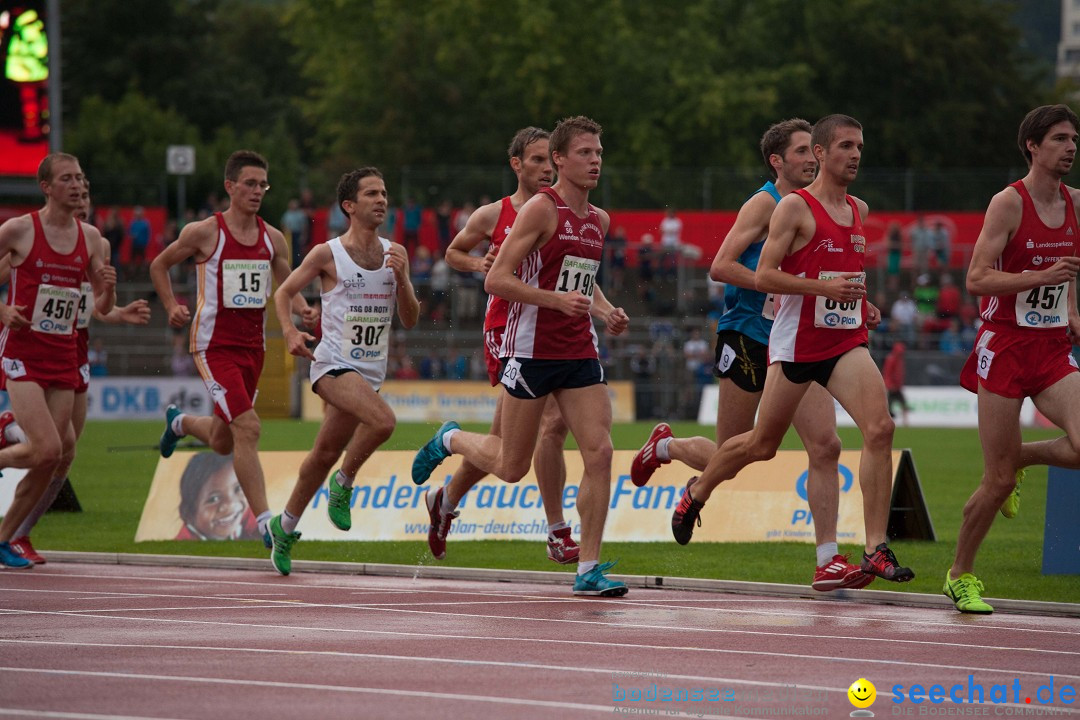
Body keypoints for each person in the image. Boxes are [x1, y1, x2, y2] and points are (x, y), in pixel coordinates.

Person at [665, 115, 914, 586]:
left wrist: (862, 303)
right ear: (820, 153)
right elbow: (755, 274)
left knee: (872, 430)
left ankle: (866, 550)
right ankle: (696, 490)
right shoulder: (784, 207)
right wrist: (819, 289)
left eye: (860, 146)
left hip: (842, 342)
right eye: (845, 146)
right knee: (759, 445)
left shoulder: (858, 208)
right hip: (781, 340)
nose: (856, 154)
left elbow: (840, 273)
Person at [411, 116, 632, 596]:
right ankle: (450, 439)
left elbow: (580, 279)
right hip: (528, 349)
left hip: (578, 350)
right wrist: (555, 302)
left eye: (599, 153)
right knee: (511, 466)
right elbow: (497, 280)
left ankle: (587, 569)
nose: (595, 161)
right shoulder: (539, 210)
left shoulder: (599, 220)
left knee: (601, 451)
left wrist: (605, 310)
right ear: (558, 159)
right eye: (584, 153)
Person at [150, 150, 316, 565]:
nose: (258, 191)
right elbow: (159, 264)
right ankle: (265, 525)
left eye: (263, 185)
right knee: (249, 427)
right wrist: (171, 305)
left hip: (253, 349)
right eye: (250, 183)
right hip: (213, 346)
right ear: (230, 187)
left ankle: (179, 423)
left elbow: (286, 286)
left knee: (225, 440)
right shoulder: (205, 232)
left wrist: (304, 310)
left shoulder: (273, 238)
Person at [949, 105, 1080, 614]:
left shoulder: (1076, 204)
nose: (1070, 148)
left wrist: (1070, 308)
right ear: (1032, 146)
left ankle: (1024, 455)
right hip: (1003, 348)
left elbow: (1070, 270)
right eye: (1060, 139)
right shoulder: (1007, 204)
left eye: (1074, 139)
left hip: (1051, 351)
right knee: (996, 480)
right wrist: (1037, 279)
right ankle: (960, 575)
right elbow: (977, 279)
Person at [429, 126, 579, 564]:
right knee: (548, 424)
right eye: (536, 161)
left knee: (503, 444)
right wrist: (479, 262)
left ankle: (447, 500)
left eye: (550, 162)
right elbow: (453, 252)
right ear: (516, 164)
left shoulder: (564, 211)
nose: (546, 170)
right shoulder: (493, 214)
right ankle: (557, 531)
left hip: (556, 331)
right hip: (510, 330)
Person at [267, 167, 420, 575]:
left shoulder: (394, 253)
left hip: (369, 375)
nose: (382, 200)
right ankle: (344, 484)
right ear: (349, 206)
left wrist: (402, 277)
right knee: (384, 422)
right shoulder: (326, 253)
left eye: (384, 193)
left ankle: (283, 528)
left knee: (323, 454)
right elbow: (283, 292)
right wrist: (289, 331)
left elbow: (410, 318)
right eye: (372, 194)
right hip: (332, 365)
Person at [0, 178, 150, 565]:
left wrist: (119, 312)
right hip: (30, 347)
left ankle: (20, 532)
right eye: (75, 200)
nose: (80, 208)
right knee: (52, 444)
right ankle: (11, 428)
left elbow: (95, 307)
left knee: (64, 454)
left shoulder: (96, 244)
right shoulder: (31, 236)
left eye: (85, 201)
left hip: (73, 354)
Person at [175, 453, 260, 541]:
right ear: (187, 513)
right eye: (214, 499)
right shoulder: (184, 544)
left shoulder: (243, 513)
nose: (231, 504)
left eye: (238, 488)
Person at [883, 341, 910, 426]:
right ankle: (890, 422)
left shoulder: (898, 360)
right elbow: (887, 373)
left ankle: (905, 422)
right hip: (892, 387)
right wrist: (890, 385)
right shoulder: (891, 359)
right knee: (889, 407)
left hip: (896, 387)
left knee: (902, 403)